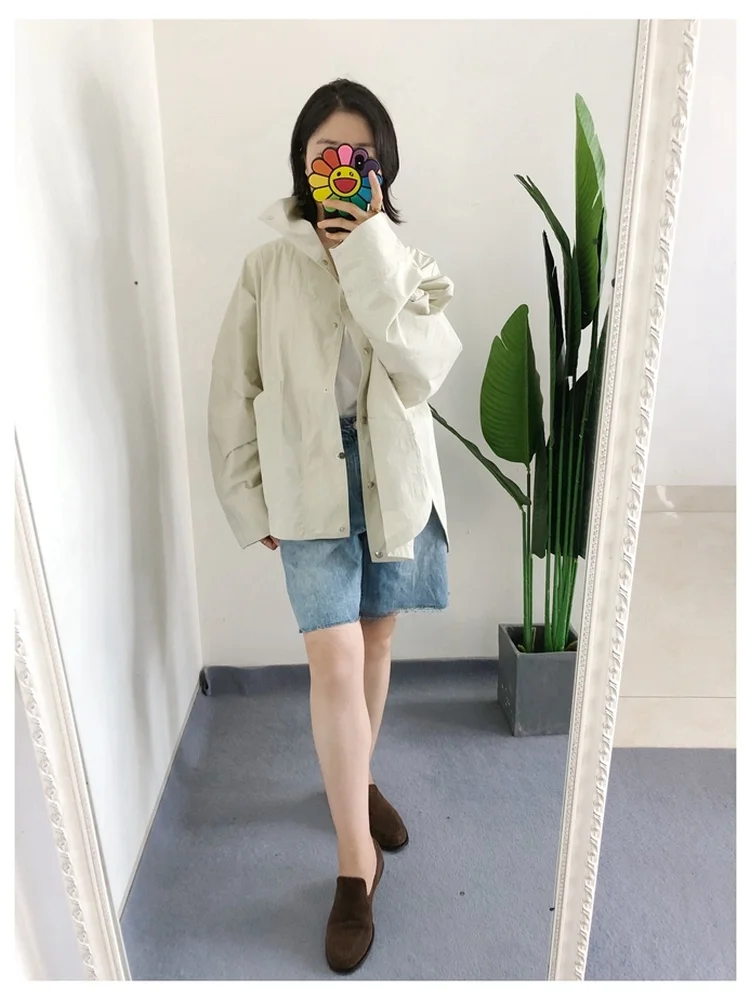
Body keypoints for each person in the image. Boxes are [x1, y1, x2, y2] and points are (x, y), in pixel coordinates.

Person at [208, 78, 461, 973]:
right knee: (335, 658)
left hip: (390, 478)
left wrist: (371, 251)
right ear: (303, 163)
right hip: (307, 480)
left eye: (359, 155)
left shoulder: (408, 261)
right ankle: (357, 864)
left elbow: (423, 369)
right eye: (326, 154)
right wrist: (250, 499)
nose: (340, 167)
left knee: (377, 640)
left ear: (382, 168)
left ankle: (355, 781)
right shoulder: (267, 266)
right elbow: (233, 390)